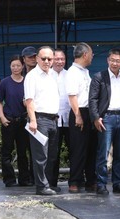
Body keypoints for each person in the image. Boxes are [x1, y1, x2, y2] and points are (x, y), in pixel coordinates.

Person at [88, 48, 120, 195]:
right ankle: (101, 184)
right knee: (103, 152)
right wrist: (96, 117)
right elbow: (93, 99)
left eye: (118, 61)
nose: (115, 63)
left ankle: (118, 183)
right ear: (108, 60)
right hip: (106, 118)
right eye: (112, 60)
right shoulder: (99, 77)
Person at [24, 46, 60, 196]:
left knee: (52, 154)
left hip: (53, 119)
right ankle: (41, 186)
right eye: (43, 58)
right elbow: (29, 100)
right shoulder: (32, 76)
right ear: (37, 59)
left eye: (49, 59)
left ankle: (48, 183)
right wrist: (33, 120)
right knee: (41, 156)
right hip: (39, 119)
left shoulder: (54, 75)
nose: (46, 61)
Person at [65, 42, 97, 193]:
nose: (92, 57)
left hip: (89, 111)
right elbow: (72, 96)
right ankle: (75, 181)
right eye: (91, 54)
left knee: (91, 148)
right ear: (85, 55)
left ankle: (90, 180)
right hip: (79, 111)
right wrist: (78, 115)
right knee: (78, 148)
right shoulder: (72, 72)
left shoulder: (84, 71)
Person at [0, 55, 31, 187]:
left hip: (23, 120)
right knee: (6, 152)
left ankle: (24, 179)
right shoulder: (5, 82)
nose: (15, 68)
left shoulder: (27, 82)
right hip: (8, 120)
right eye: (13, 66)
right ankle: (9, 179)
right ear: (10, 67)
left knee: (23, 152)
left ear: (22, 66)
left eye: (18, 65)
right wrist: (2, 117)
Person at [51, 48, 70, 192]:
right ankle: (52, 183)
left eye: (62, 59)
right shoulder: (46, 75)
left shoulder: (70, 75)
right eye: (56, 59)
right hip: (53, 120)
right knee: (53, 153)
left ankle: (75, 181)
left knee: (74, 151)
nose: (59, 61)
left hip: (70, 119)